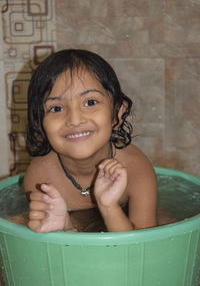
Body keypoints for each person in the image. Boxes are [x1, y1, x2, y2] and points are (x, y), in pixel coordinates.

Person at [23, 49, 158, 233]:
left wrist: (109, 207)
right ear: (40, 123)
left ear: (117, 114)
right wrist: (66, 227)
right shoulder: (41, 178)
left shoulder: (136, 169)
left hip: (126, 229)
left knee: (167, 220)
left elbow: (144, 250)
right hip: (78, 236)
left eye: (90, 103)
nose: (75, 120)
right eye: (56, 108)